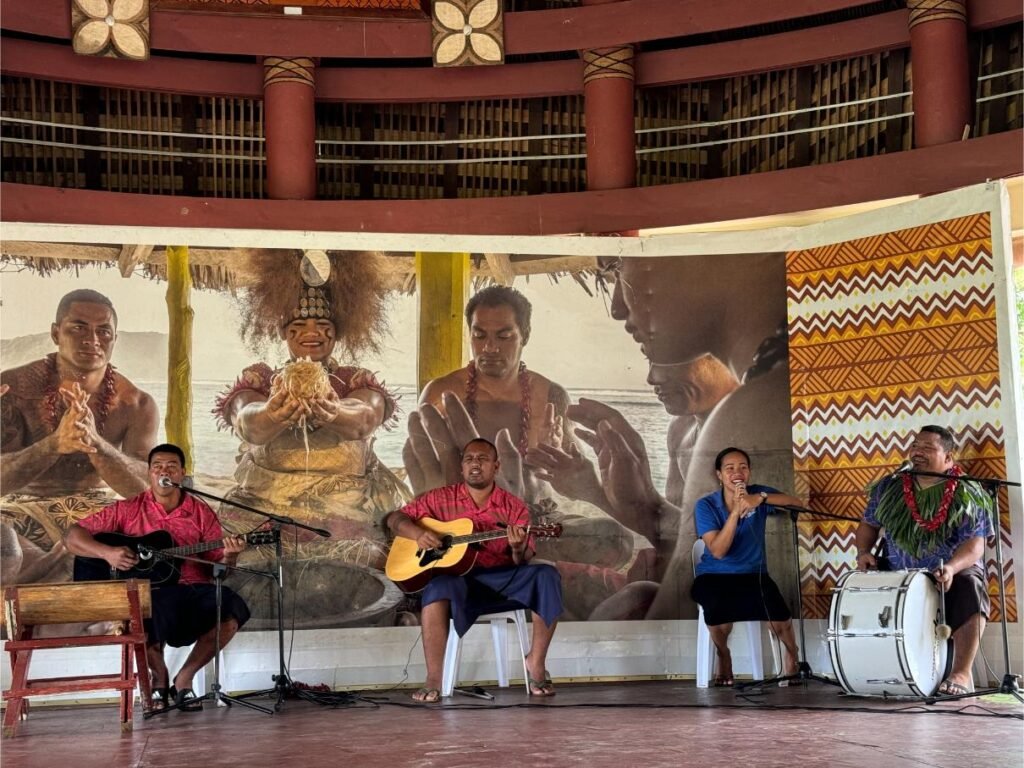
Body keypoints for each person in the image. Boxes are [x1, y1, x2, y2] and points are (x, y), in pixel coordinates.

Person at [601, 253, 795, 619]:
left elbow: (678, 616)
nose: (616, 308)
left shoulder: (754, 410)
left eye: (616, 267)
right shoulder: (772, 388)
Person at [213, 250, 408, 577]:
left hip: (344, 516)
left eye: (322, 325)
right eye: (299, 326)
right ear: (285, 334)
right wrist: (272, 414)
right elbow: (245, 420)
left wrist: (334, 411)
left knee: (376, 564)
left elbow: (364, 416)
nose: (311, 333)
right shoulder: (262, 380)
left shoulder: (353, 379)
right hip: (266, 514)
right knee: (238, 562)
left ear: (336, 333)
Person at [64, 444, 250, 712]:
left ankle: (184, 679)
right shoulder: (128, 510)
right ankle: (159, 676)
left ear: (182, 474)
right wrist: (108, 553)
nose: (164, 471)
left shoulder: (201, 513)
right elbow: (72, 536)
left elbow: (216, 571)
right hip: (148, 594)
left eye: (171, 466)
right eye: (157, 466)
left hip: (193, 590)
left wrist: (230, 557)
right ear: (149, 473)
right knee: (149, 604)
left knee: (232, 607)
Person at [387, 438, 562, 702]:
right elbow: (394, 519)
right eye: (469, 459)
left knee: (547, 575)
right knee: (438, 586)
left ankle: (535, 662)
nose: (475, 464)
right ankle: (434, 677)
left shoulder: (513, 507)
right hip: (458, 581)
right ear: (462, 468)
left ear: (496, 466)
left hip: (499, 581)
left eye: (482, 459)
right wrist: (418, 533)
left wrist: (516, 548)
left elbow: (521, 561)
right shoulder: (439, 499)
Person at [1, 289, 159, 583]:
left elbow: (145, 491)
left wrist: (96, 444)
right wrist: (53, 445)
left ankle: (65, 566)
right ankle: (58, 568)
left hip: (98, 509)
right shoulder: (11, 390)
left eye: (104, 331)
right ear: (55, 333)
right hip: (19, 507)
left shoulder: (136, 403)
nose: (93, 339)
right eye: (78, 327)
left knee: (163, 541)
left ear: (114, 339)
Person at [854, 426, 993, 696]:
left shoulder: (968, 492)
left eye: (927, 447)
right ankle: (871, 669)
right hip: (898, 570)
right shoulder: (890, 486)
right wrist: (863, 552)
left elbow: (975, 546)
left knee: (971, 586)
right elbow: (868, 526)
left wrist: (951, 567)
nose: (917, 452)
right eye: (915, 445)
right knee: (860, 583)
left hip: (949, 571)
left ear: (949, 457)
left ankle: (961, 673)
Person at [691, 447, 802, 685]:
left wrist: (759, 498)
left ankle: (793, 657)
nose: (737, 473)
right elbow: (719, 551)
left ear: (749, 471)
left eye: (743, 467)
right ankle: (724, 656)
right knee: (717, 613)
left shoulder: (758, 494)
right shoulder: (706, 505)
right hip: (714, 574)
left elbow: (796, 503)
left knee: (781, 618)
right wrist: (735, 514)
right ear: (719, 475)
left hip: (754, 574)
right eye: (729, 468)